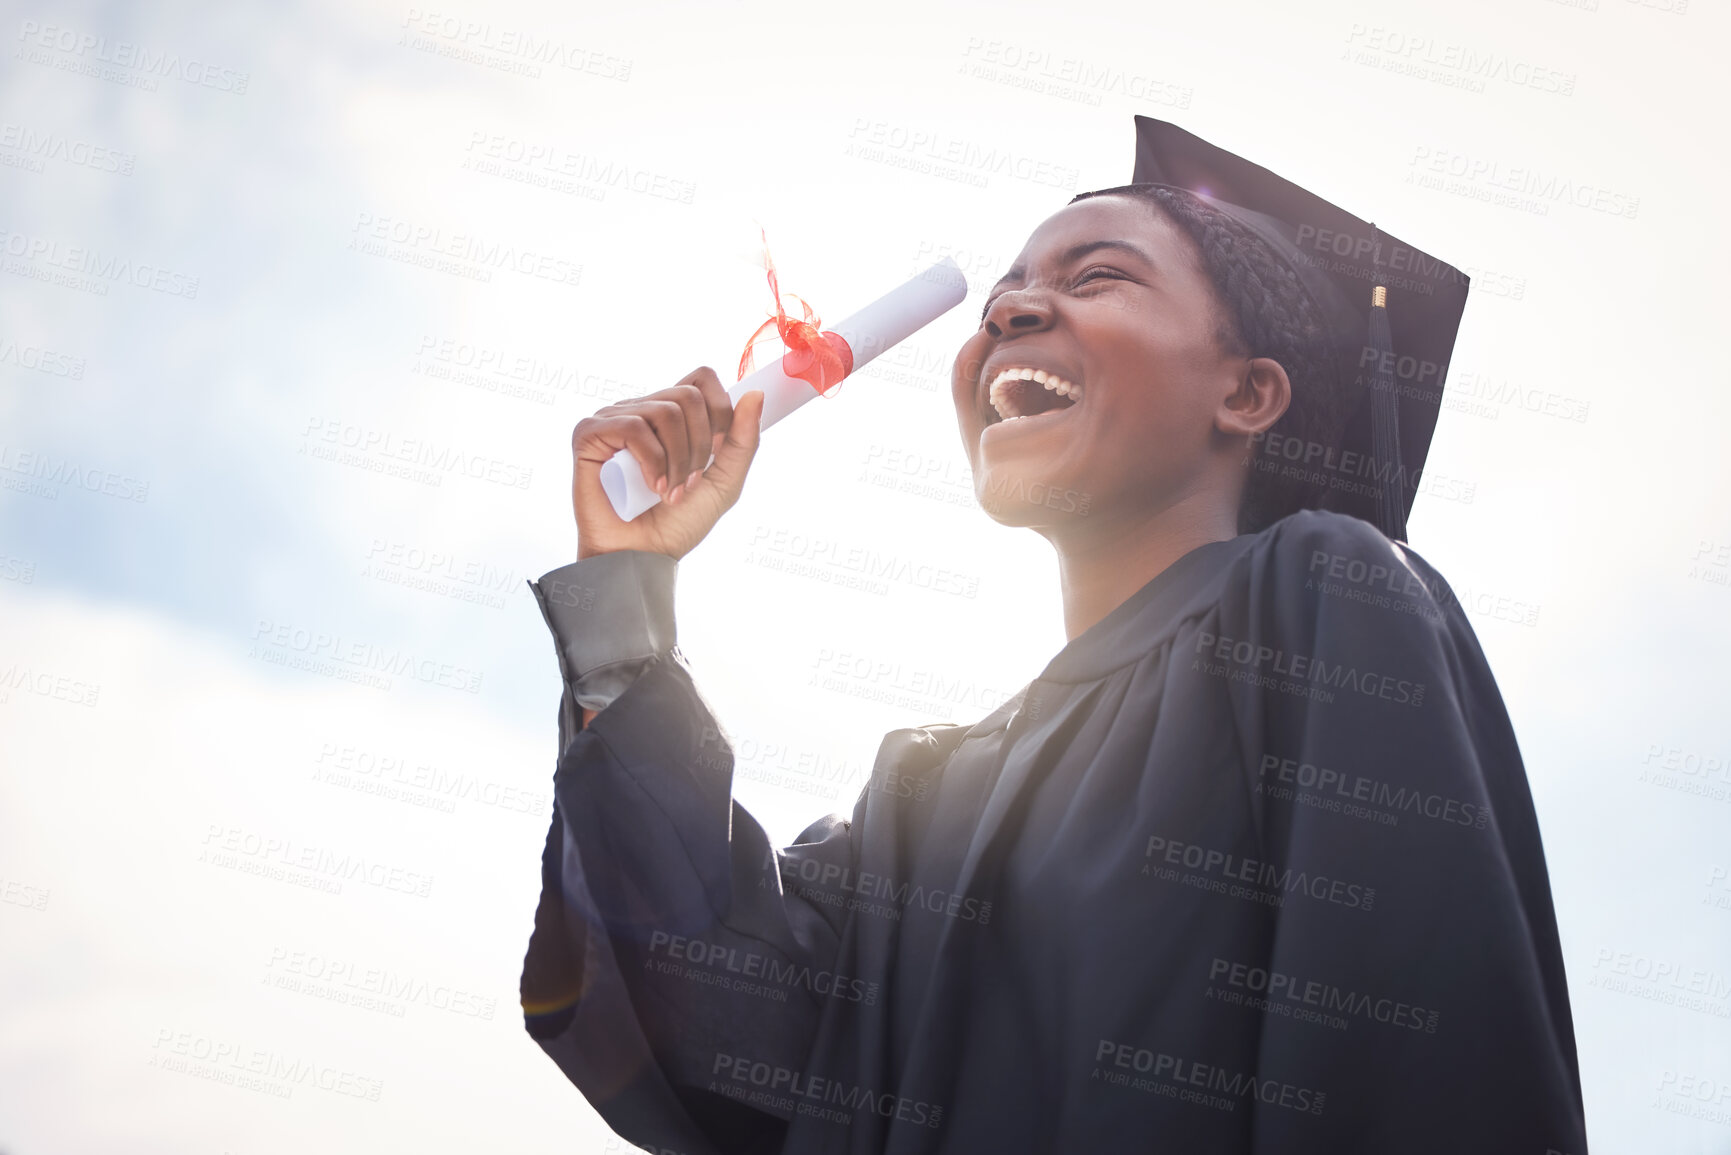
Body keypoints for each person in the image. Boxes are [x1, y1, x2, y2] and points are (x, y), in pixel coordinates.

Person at [518, 119, 1589, 1154]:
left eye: (1096, 278)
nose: (1015, 311)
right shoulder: (922, 796)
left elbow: (1415, 1054)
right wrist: (624, 602)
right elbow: (712, 1044)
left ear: (1249, 393)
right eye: (1002, 296)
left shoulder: (1320, 597)